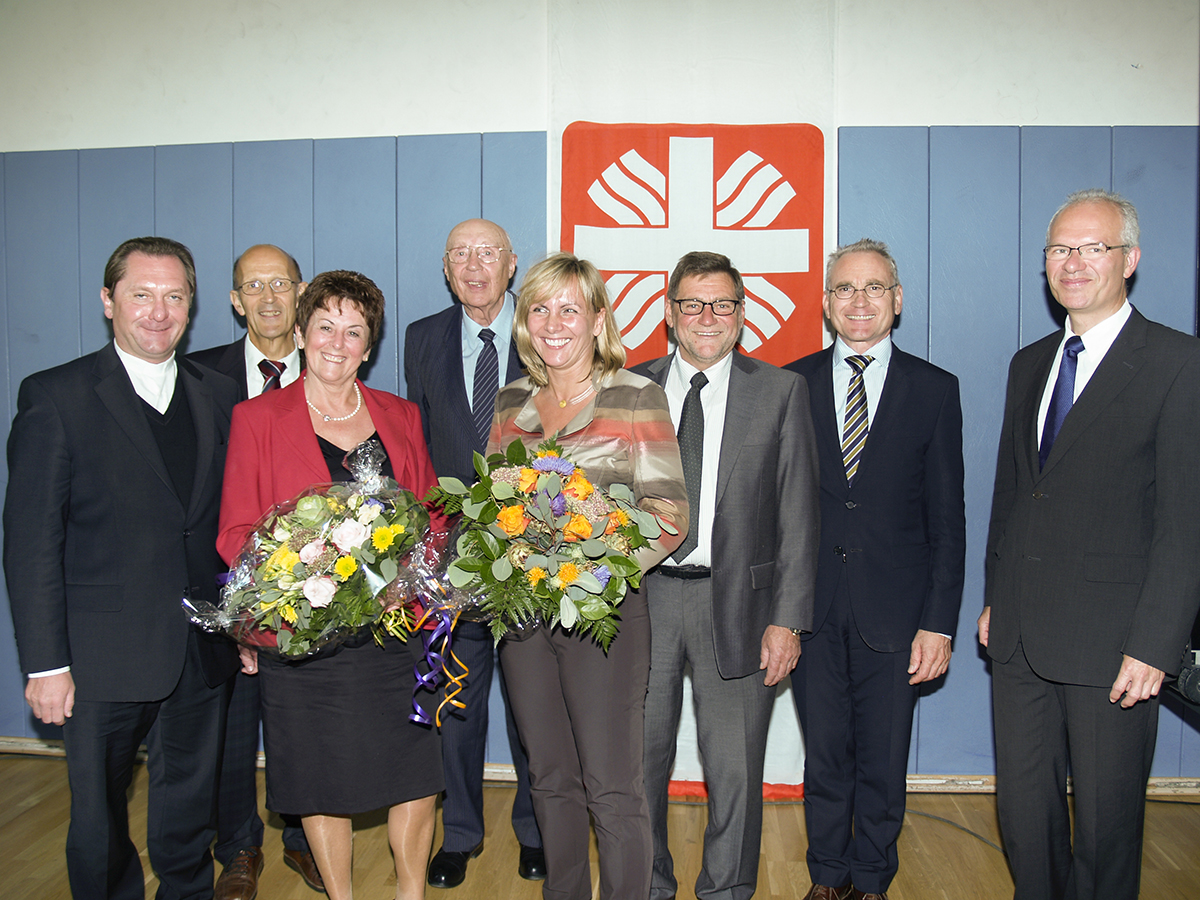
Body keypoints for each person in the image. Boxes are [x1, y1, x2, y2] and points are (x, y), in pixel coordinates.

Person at [979, 189, 1200, 900]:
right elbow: (1014, 497)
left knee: (1106, 831)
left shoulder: (1176, 362)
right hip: (1019, 640)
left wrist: (1156, 647)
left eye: (1092, 247)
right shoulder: (1029, 362)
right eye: (1059, 249)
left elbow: (1185, 523)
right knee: (1023, 817)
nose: (1072, 263)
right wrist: (995, 599)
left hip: (1116, 648)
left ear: (1129, 260)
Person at [3, 236, 240, 900]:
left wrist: (243, 625)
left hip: (200, 647)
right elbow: (30, 544)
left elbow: (225, 528)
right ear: (109, 302)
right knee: (100, 821)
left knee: (189, 810)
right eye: (141, 295)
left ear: (192, 306)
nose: (158, 312)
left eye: (174, 297)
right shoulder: (56, 397)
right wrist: (46, 664)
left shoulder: (217, 394)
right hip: (99, 658)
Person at [217, 270, 444, 900]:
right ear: (299, 333)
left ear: (369, 346)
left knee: (414, 769)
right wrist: (299, 579)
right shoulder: (257, 418)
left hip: (397, 632)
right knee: (320, 776)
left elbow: (430, 514)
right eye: (325, 327)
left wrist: (416, 580)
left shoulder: (400, 416)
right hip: (306, 634)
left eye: (355, 331)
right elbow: (237, 530)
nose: (337, 343)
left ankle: (410, 891)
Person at [489, 251, 687, 900]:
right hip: (523, 618)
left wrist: (594, 561)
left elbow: (668, 516)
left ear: (598, 320)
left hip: (602, 617)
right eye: (539, 308)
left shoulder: (636, 396)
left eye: (569, 308)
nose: (553, 322)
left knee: (612, 786)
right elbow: (494, 509)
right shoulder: (511, 400)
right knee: (548, 778)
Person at [633, 251, 820, 900]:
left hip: (740, 604)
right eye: (691, 303)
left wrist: (788, 620)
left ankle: (727, 892)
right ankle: (650, 887)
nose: (705, 317)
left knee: (736, 772)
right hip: (645, 602)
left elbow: (799, 516)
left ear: (741, 316)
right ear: (668, 312)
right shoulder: (629, 389)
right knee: (637, 766)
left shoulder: (781, 392)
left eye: (721, 304)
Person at [786, 240, 966, 900]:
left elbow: (949, 520)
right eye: (844, 289)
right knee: (825, 755)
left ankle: (871, 878)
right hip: (813, 607)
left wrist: (939, 623)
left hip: (897, 613)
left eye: (874, 288)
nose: (858, 302)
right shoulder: (792, 383)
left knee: (883, 761)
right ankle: (827, 877)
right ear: (826, 303)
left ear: (897, 301)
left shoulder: (934, 389)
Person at [403, 218, 544, 887]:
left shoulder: (543, 329)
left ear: (512, 265)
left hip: (532, 555)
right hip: (452, 562)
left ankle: (536, 828)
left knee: (531, 705)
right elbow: (415, 443)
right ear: (445, 265)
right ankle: (458, 831)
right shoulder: (421, 338)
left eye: (487, 253)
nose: (474, 264)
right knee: (456, 705)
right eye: (460, 253)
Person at [188, 243, 322, 898]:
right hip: (225, 583)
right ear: (236, 300)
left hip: (317, 583)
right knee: (233, 725)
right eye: (254, 286)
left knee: (300, 718)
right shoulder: (196, 376)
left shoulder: (330, 370)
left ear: (301, 293)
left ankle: (302, 837)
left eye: (282, 283)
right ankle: (237, 846)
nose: (269, 297)